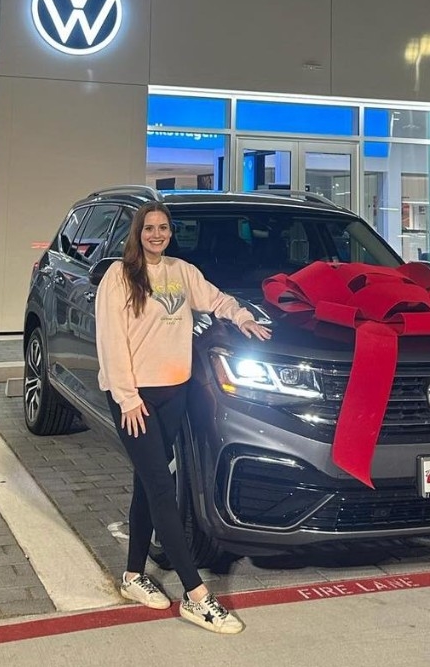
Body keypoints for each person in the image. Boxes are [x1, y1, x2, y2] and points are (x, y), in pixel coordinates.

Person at [95, 201, 271, 634]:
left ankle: (134, 576)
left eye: (164, 228)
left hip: (175, 392)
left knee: (146, 484)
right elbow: (111, 341)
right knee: (161, 485)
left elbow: (215, 299)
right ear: (137, 233)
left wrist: (243, 318)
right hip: (135, 400)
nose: (157, 235)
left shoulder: (181, 271)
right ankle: (196, 595)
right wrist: (127, 397)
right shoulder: (119, 278)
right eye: (149, 228)